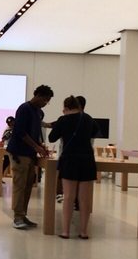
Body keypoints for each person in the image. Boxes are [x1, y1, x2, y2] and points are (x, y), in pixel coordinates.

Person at [48, 95, 97, 239]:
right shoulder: (88, 118)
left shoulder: (63, 120)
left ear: (66, 107)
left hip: (70, 160)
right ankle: (84, 232)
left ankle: (66, 231)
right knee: (84, 199)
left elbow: (52, 138)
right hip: (87, 160)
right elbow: (95, 132)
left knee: (68, 197)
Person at [8, 85, 54, 228]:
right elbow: (21, 132)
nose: (45, 103)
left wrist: (40, 145)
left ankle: (23, 214)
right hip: (19, 152)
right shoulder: (24, 109)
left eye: (48, 101)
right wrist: (36, 147)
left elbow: (35, 133)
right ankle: (17, 217)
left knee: (28, 185)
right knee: (20, 185)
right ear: (38, 95)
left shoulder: (38, 112)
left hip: (30, 154)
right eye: (45, 100)